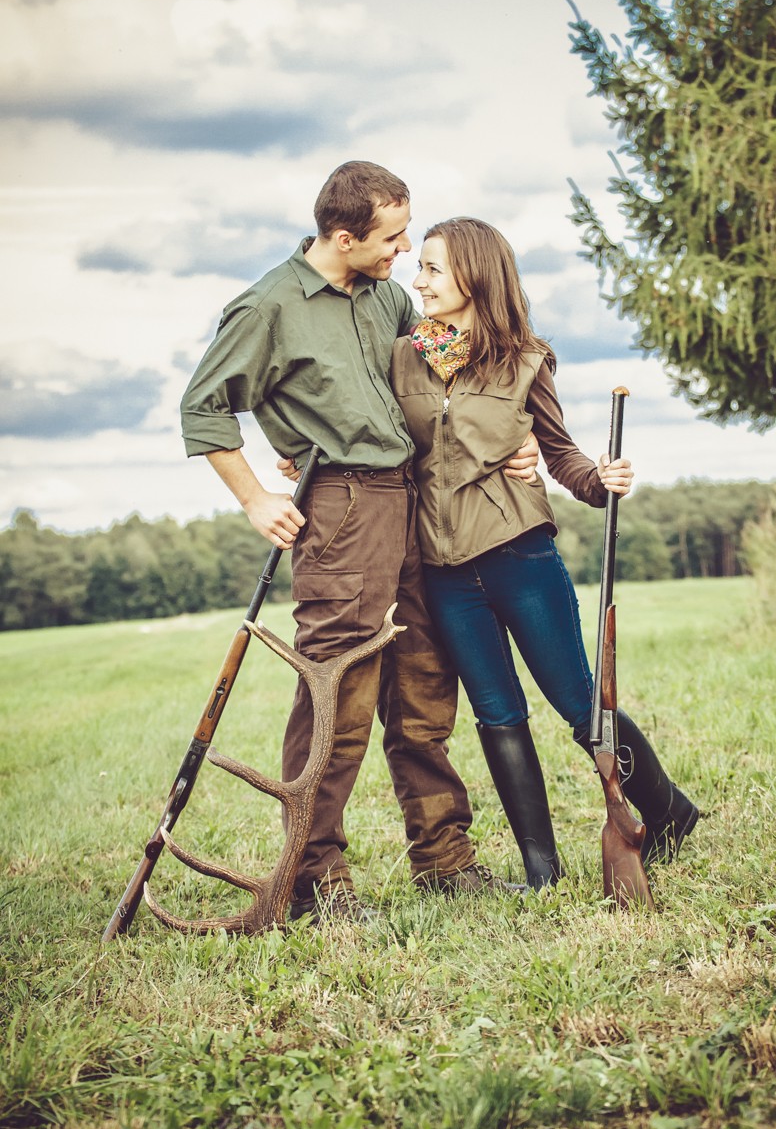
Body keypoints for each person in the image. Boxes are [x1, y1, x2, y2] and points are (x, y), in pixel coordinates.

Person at [180, 163, 538, 923]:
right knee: (338, 692)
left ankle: (444, 861)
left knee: (423, 686)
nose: (406, 250)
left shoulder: (388, 299)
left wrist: (519, 440)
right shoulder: (265, 307)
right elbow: (205, 407)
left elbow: (462, 363)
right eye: (392, 236)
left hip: (414, 500)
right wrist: (256, 495)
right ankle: (315, 881)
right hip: (340, 509)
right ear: (342, 238)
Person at [389, 216, 699, 890]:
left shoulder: (524, 360)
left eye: (434, 268)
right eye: (420, 268)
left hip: (519, 555)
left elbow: (558, 452)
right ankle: (540, 868)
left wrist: (599, 480)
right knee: (496, 713)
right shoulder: (402, 355)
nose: (419, 280)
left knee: (581, 707)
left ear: (474, 274)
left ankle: (670, 811)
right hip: (443, 571)